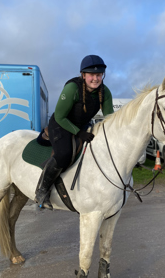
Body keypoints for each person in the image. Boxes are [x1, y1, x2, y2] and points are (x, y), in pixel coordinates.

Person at [35, 55, 114, 209]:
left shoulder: (105, 92)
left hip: (82, 125)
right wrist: (78, 132)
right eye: (91, 74)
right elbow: (60, 116)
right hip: (61, 124)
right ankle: (42, 191)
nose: (95, 79)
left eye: (99, 75)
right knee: (64, 154)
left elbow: (110, 118)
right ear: (83, 75)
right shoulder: (72, 88)